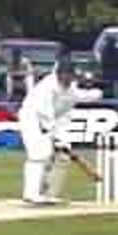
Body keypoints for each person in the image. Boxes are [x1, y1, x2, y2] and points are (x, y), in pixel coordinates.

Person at [17, 56, 92, 205]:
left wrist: (61, 139)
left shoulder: (70, 89)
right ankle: (30, 194)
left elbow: (74, 101)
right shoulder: (47, 86)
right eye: (67, 75)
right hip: (31, 119)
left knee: (62, 157)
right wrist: (54, 137)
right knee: (39, 153)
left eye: (71, 75)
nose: (69, 78)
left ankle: (49, 194)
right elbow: (44, 112)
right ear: (60, 73)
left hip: (52, 122)